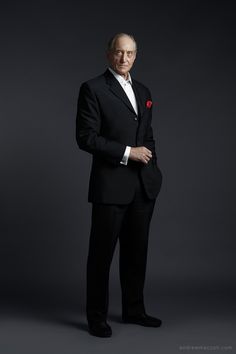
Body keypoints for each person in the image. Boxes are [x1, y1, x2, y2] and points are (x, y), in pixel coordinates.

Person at [76, 33, 162, 338]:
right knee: (100, 256)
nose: (124, 59)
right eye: (118, 53)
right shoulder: (93, 89)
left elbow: (147, 134)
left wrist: (153, 167)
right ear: (108, 54)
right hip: (110, 186)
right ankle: (96, 317)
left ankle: (134, 310)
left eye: (129, 53)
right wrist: (128, 153)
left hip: (143, 186)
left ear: (135, 56)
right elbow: (86, 137)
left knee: (136, 252)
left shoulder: (143, 90)